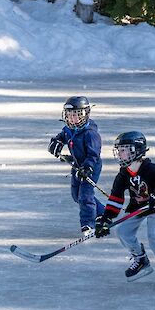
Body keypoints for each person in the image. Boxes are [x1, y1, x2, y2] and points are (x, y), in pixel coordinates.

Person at [94, 131, 155, 284]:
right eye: (118, 150)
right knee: (122, 231)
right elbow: (116, 198)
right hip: (136, 208)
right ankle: (141, 259)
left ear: (136, 150)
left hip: (154, 208)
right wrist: (106, 218)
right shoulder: (123, 175)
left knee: (154, 236)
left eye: (123, 150)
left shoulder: (151, 169)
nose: (119, 154)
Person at [48, 96, 104, 237]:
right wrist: (56, 143)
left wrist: (88, 168)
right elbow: (62, 136)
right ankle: (102, 212)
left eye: (77, 115)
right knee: (76, 195)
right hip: (77, 166)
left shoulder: (90, 133)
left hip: (90, 167)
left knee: (85, 195)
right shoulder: (69, 129)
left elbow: (93, 154)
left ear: (85, 115)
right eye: (70, 115)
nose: (73, 119)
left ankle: (88, 224)